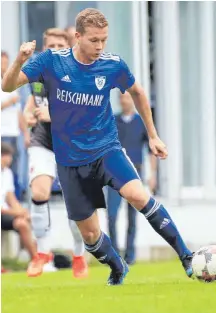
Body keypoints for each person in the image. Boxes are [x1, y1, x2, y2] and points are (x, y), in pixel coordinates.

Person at [1, 8, 193, 286]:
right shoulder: (50, 62)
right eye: (94, 40)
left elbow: (138, 92)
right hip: (70, 162)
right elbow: (8, 87)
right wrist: (19, 59)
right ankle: (117, 266)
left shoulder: (113, 65)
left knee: (138, 196)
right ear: (77, 37)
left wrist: (153, 135)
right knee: (90, 235)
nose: (100, 46)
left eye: (104, 39)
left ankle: (186, 256)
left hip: (106, 150)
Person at [23, 28, 88, 278]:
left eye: (60, 45)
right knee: (39, 192)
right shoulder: (37, 72)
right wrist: (28, 114)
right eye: (50, 45)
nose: (55, 50)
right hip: (42, 141)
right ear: (44, 48)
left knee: (77, 207)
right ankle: (41, 254)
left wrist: (56, 116)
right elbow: (34, 102)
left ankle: (79, 256)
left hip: (72, 145)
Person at [106, 92, 157, 265]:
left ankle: (130, 255)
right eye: (121, 98)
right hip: (114, 174)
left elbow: (151, 151)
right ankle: (114, 255)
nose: (124, 101)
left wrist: (152, 175)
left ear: (133, 101)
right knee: (112, 215)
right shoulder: (112, 121)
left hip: (135, 174)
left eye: (127, 98)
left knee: (132, 217)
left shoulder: (140, 123)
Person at [1, 143, 38, 265]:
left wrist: (22, 212)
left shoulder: (7, 173)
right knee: (22, 224)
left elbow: (11, 199)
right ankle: (36, 259)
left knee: (28, 220)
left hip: (6, 213)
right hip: (3, 213)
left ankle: (35, 255)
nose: (10, 159)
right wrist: (16, 212)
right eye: (8, 156)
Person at [1, 51, 30, 198]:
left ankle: (16, 200)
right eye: (2, 63)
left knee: (14, 168)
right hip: (2, 133)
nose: (4, 66)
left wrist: (25, 134)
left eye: (6, 63)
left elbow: (19, 114)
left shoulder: (13, 84)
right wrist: (8, 102)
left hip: (13, 133)